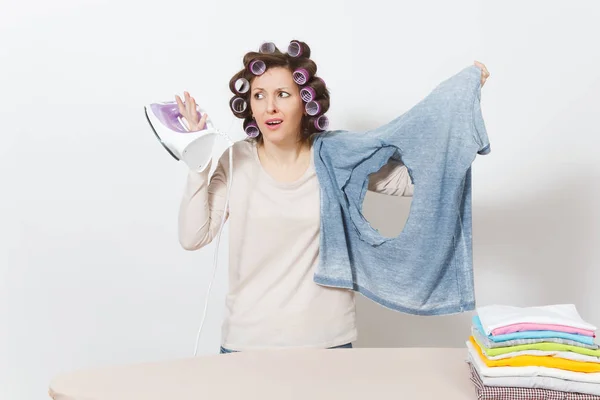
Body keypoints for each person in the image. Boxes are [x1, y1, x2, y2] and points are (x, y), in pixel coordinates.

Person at [175, 40, 490, 354]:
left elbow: (411, 181)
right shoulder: (237, 160)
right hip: (246, 345)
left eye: (282, 95)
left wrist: (457, 113)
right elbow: (194, 236)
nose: (269, 106)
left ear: (305, 100)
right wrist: (197, 162)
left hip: (327, 345)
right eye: (259, 96)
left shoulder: (334, 156)